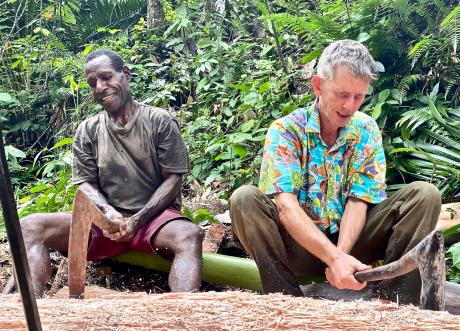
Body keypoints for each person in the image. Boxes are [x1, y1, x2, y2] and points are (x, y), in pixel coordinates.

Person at [229, 40, 441, 304]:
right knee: (244, 198)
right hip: (301, 248)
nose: (350, 106)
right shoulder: (286, 130)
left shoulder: (365, 129)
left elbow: (358, 200)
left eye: (359, 97)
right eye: (342, 94)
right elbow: (285, 206)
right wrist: (333, 258)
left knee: (425, 194)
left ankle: (393, 305)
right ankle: (285, 305)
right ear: (318, 85)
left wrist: (340, 258)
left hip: (353, 245)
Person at [3, 49, 203, 297]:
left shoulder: (158, 120)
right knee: (29, 227)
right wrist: (108, 213)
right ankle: (25, 313)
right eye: (92, 83)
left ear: (125, 74)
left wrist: (137, 219)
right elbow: (86, 184)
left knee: (189, 235)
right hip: (103, 224)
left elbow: (173, 178)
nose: (100, 87)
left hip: (153, 219)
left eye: (107, 77)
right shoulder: (88, 129)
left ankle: (185, 316)